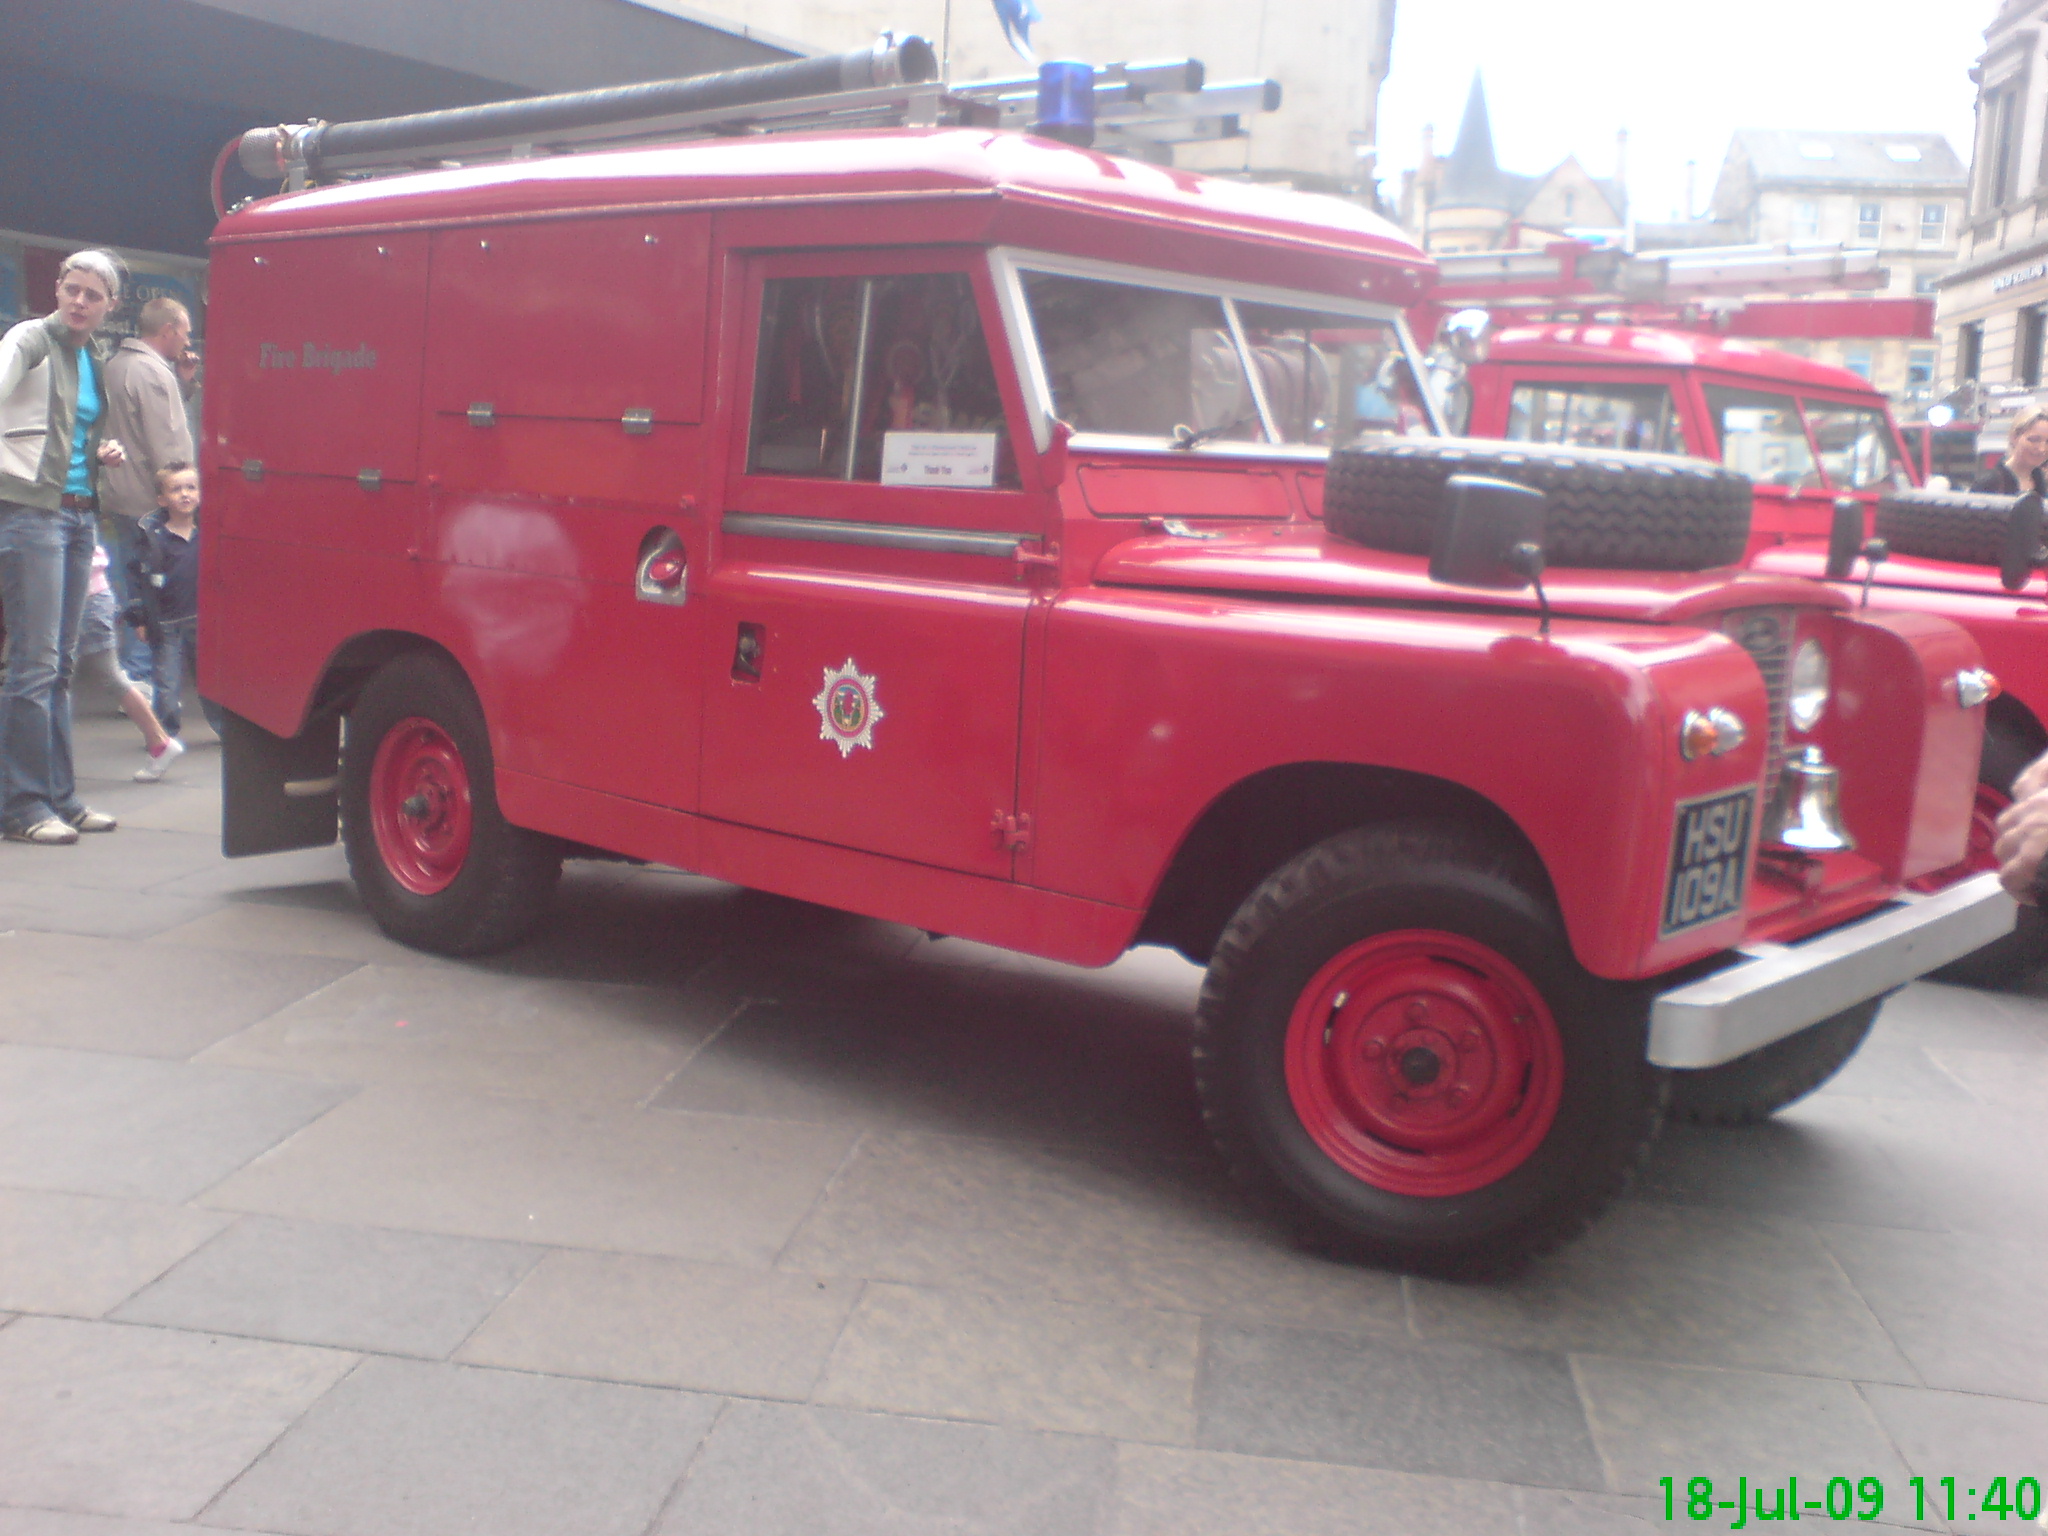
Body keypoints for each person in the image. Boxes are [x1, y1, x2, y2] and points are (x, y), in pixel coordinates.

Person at [0, 249, 128, 845]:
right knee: (35, 664)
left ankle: (61, 797)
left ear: (109, 306)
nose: (79, 301)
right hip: (32, 515)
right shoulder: (29, 338)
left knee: (61, 666)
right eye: (72, 289)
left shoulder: (93, 359)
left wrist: (101, 455)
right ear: (56, 289)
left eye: (92, 295)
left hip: (79, 519)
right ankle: (23, 806)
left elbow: (68, 435)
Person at [100, 296, 194, 680]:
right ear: (167, 330)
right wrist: (184, 497)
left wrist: (183, 385)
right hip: (148, 500)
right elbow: (166, 444)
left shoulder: (114, 365)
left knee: (129, 584)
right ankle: (137, 676)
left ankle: (128, 672)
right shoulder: (153, 373)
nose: (188, 341)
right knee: (155, 590)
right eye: (185, 332)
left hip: (118, 495)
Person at [127, 462, 222, 741]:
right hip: (165, 622)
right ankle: (165, 734)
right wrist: (140, 618)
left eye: (191, 487)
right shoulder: (153, 537)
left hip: (200, 620)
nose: (185, 494)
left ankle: (226, 730)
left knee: (210, 681)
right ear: (162, 500)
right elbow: (137, 579)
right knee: (166, 684)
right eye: (176, 489)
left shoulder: (208, 533)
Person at [73, 544, 182, 779]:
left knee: (50, 679)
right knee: (108, 675)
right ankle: (159, 742)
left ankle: (159, 741)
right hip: (93, 594)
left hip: (81, 595)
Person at [1970, 406, 2048, 496]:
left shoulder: (2041, 481)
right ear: (2014, 437)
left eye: (2047, 442)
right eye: (2034, 440)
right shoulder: (1988, 484)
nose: (2042, 448)